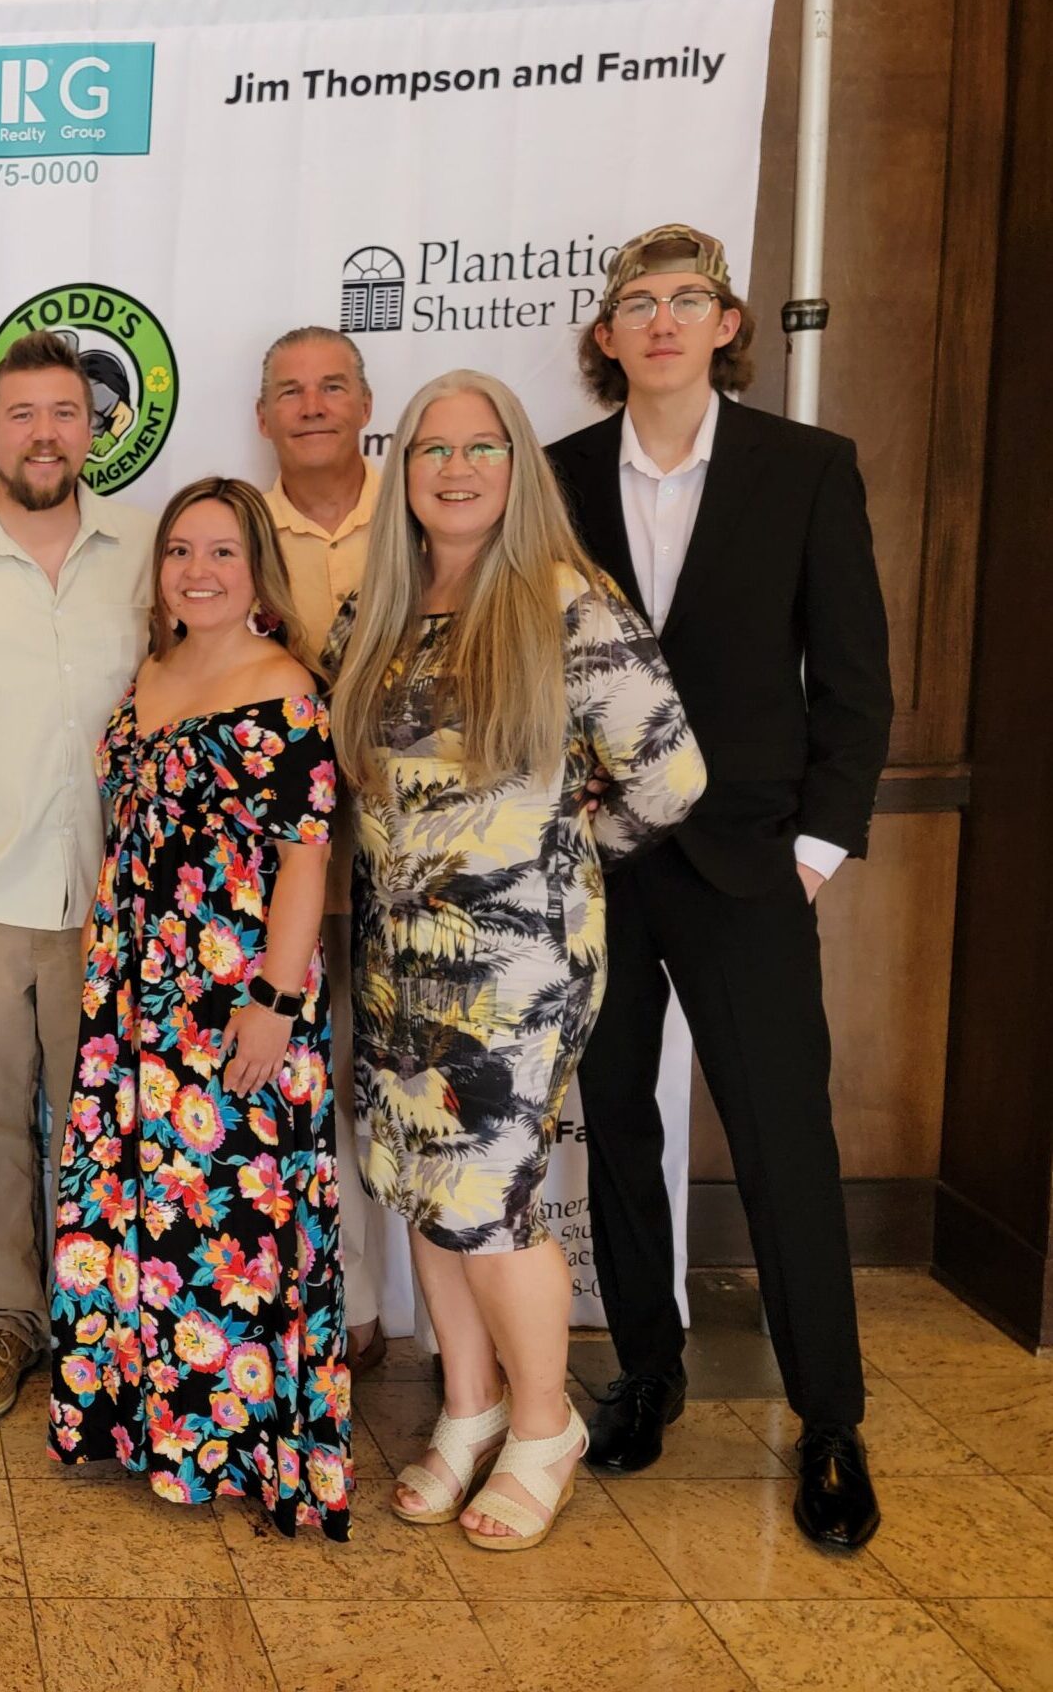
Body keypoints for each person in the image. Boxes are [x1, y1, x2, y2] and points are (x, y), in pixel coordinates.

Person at [549, 224, 893, 1549]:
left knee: (778, 1142)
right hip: (598, 872)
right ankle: (644, 1375)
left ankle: (828, 1417)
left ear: (724, 324)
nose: (659, 320)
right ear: (603, 335)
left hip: (749, 864)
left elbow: (851, 680)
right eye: (634, 302)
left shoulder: (804, 470)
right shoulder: (558, 478)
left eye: (684, 300)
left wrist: (814, 851)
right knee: (614, 1130)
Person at [328, 368, 704, 1551]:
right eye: (431, 449)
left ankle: (543, 1427)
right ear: (404, 473)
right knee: (416, 1188)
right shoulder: (376, 609)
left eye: (480, 447)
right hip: (395, 956)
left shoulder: (562, 602)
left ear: (516, 465)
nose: (452, 467)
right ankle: (467, 1404)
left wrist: (548, 853)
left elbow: (668, 777)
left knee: (486, 1203)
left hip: (512, 973)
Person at [48, 476, 350, 1535]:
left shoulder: (283, 687)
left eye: (220, 552)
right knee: (142, 1202)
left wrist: (271, 1000)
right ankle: (144, 1423)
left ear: (256, 569)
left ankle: (239, 1449)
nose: (197, 571)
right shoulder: (156, 668)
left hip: (233, 990)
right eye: (180, 551)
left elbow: (305, 861)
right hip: (135, 985)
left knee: (225, 1218)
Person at [0, 328, 158, 1421]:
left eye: (65, 414)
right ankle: (3, 1321)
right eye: (23, 415)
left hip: (114, 893)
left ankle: (106, 1331)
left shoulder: (149, 546)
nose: (45, 434)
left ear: (94, 427)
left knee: (106, 1123)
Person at [255, 325, 389, 1374]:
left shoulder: (423, 510)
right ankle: (302, 1301)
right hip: (277, 880)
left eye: (329, 387)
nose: (310, 406)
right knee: (295, 1092)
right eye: (289, 391)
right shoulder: (235, 534)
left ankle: (369, 1308)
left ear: (363, 401)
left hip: (407, 865)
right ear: (262, 415)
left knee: (380, 1088)